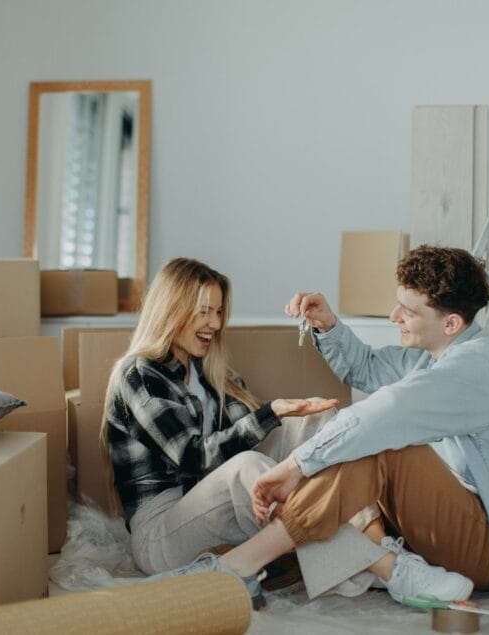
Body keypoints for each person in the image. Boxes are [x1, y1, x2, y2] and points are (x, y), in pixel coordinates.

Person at [155, 245, 489, 605]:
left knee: (383, 445)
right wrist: (327, 324)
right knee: (358, 442)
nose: (395, 317)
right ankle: (364, 562)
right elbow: (369, 367)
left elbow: (384, 411)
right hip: (453, 523)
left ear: (452, 323)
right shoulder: (434, 356)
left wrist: (295, 466)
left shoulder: (475, 368)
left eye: (408, 312)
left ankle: (238, 566)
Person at [99, 257, 338, 603]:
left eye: (219, 312)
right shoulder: (140, 375)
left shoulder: (210, 372)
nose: (215, 323)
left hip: (208, 503)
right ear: (172, 311)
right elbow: (192, 457)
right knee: (248, 468)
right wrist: (269, 412)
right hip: (162, 530)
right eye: (203, 312)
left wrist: (285, 416)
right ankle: (357, 550)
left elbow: (253, 435)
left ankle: (334, 528)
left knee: (316, 418)